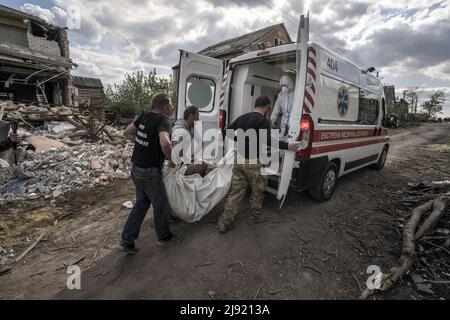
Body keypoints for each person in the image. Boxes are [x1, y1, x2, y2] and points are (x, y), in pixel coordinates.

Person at [217, 95, 301, 233]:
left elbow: (226, 131)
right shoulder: (262, 120)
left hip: (238, 160)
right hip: (253, 163)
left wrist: (240, 139)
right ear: (267, 107)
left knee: (236, 192)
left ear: (255, 105)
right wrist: (288, 146)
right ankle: (255, 217)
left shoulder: (242, 117)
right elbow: (268, 140)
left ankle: (225, 221)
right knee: (258, 190)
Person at [120, 92, 183, 254]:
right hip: (150, 171)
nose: (172, 107)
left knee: (141, 203)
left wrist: (142, 144)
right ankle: (164, 237)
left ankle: (127, 239)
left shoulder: (144, 116)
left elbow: (127, 132)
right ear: (163, 107)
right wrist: (170, 159)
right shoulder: (164, 121)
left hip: (136, 169)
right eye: (170, 105)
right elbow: (165, 142)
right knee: (160, 204)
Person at [171, 106, 214, 177]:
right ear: (191, 116)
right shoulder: (179, 129)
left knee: (211, 166)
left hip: (184, 162)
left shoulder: (191, 127)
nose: (198, 119)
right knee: (203, 166)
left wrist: (193, 156)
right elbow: (177, 152)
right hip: (178, 166)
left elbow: (201, 143)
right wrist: (189, 159)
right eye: (197, 117)